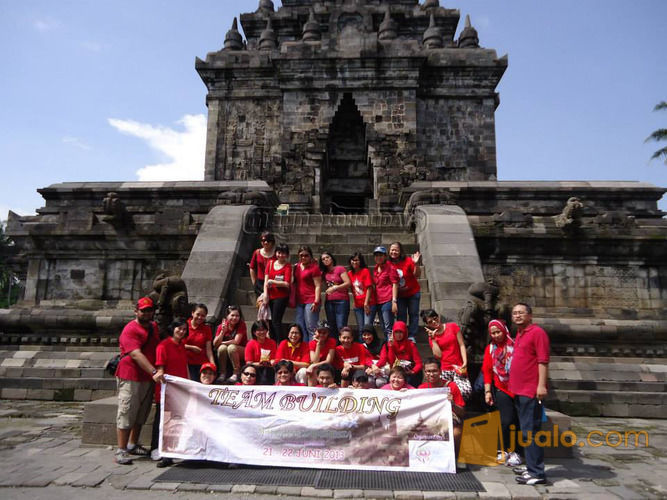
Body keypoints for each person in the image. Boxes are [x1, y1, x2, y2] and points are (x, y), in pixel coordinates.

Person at [114, 297, 161, 465]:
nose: (147, 313)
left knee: (142, 412)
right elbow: (135, 354)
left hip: (147, 377)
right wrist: (154, 371)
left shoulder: (153, 327)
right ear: (136, 311)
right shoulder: (130, 329)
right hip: (131, 375)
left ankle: (133, 444)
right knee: (127, 410)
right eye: (144, 311)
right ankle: (121, 449)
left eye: (150, 310)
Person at [510, 303, 550, 486]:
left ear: (530, 315)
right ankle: (531, 466)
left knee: (531, 432)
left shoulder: (537, 333)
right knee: (526, 431)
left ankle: (537, 473)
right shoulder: (519, 333)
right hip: (518, 390)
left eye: (521, 313)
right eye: (514, 313)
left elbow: (543, 361)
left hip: (530, 390)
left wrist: (541, 386)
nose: (517, 315)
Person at [482, 319, 521, 467]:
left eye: (498, 332)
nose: (496, 335)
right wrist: (487, 392)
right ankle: (503, 449)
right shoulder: (490, 349)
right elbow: (487, 371)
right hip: (501, 387)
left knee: (517, 420)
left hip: (517, 387)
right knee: (505, 420)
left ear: (504, 330)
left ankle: (516, 451)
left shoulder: (515, 345)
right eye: (493, 333)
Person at [151, 319, 189, 468]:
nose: (182, 331)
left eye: (184, 329)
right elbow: (160, 368)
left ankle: (173, 451)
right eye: (179, 328)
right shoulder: (163, 346)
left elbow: (184, 366)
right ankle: (158, 449)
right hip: (166, 390)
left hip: (180, 389)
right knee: (162, 421)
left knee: (176, 422)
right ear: (172, 329)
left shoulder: (182, 345)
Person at [422, 309, 472, 401]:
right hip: (444, 369)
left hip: (458, 367)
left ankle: (459, 408)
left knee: (465, 390)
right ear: (427, 325)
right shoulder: (432, 337)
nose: (434, 322)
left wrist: (465, 361)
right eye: (430, 322)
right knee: (443, 395)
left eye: (435, 318)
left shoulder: (452, 326)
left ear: (438, 316)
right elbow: (438, 355)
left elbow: (461, 344)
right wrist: (433, 339)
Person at [418, 357, 465, 453]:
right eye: (428, 371)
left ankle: (454, 461)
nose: (431, 374)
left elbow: (462, 413)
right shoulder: (421, 389)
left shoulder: (451, 386)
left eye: (434, 371)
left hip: (448, 422)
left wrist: (453, 404)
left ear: (440, 371)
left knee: (456, 433)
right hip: (428, 422)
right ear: (424, 372)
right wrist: (404, 392)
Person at [373, 321, 423, 388]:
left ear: (405, 332)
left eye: (401, 332)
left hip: (409, 374)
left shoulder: (411, 345)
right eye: (396, 332)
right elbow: (388, 361)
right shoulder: (387, 345)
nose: (398, 335)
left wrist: (412, 371)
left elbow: (419, 363)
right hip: (395, 373)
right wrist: (391, 347)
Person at [388, 242, 421, 342]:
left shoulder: (408, 261)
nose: (394, 252)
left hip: (412, 292)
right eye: (392, 249)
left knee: (413, 313)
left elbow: (417, 275)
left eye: (396, 250)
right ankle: (402, 335)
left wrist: (416, 263)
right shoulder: (388, 264)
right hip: (400, 295)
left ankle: (411, 335)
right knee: (401, 315)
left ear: (400, 251)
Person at [263, 243, 292, 343]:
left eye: (283, 253)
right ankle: (273, 343)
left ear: (287, 255)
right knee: (270, 322)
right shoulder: (270, 263)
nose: (281, 255)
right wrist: (265, 294)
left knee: (276, 321)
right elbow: (266, 281)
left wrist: (273, 282)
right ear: (276, 253)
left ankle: (280, 344)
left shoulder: (287, 266)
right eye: (279, 252)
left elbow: (287, 284)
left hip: (281, 297)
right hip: (270, 296)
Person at [320, 251, 351, 341]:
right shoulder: (324, 273)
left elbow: (348, 283)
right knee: (331, 326)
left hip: (341, 301)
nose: (325, 260)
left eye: (327, 257)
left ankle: (343, 347)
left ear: (332, 258)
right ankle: (334, 349)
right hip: (329, 301)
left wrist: (335, 288)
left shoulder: (339, 269)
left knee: (341, 325)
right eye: (323, 259)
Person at [293, 246, 322, 342]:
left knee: (311, 328)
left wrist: (316, 301)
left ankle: (312, 351)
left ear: (310, 256)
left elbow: (318, 285)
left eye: (306, 255)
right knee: (300, 327)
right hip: (299, 300)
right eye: (301, 255)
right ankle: (304, 350)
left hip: (311, 300)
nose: (303, 258)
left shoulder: (314, 268)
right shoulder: (296, 267)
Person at [213, 305, 247, 383]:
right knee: (222, 348)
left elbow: (236, 341)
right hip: (226, 350)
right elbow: (215, 344)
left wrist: (221, 342)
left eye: (237, 316)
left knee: (231, 347)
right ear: (227, 316)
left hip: (241, 349)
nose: (235, 318)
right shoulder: (222, 326)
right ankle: (222, 373)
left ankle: (236, 372)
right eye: (232, 315)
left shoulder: (242, 325)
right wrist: (222, 332)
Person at [347, 252, 376, 341]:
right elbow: (352, 289)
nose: (354, 262)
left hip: (369, 303)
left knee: (367, 328)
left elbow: (369, 288)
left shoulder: (365, 271)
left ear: (360, 261)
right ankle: (361, 349)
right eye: (353, 260)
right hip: (358, 305)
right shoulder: (349, 273)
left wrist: (366, 303)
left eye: (357, 260)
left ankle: (369, 349)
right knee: (361, 329)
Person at [372, 246, 398, 339]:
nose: (378, 257)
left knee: (388, 327)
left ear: (385, 256)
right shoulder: (375, 269)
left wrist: (394, 301)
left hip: (387, 300)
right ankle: (388, 347)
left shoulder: (390, 268)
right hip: (378, 300)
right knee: (383, 327)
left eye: (380, 255)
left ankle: (391, 349)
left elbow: (395, 284)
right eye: (376, 255)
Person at [185, 303, 215, 381]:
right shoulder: (184, 325)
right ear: (192, 313)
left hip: (201, 363)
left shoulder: (207, 329)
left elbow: (209, 349)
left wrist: (212, 364)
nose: (200, 317)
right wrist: (191, 347)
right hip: (186, 363)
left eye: (203, 315)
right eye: (198, 314)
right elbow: (178, 344)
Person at [244, 320, 277, 385]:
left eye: (263, 330)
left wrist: (271, 362)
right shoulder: (250, 344)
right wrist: (260, 363)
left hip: (269, 368)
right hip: (255, 369)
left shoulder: (272, 343)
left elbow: (275, 359)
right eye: (258, 330)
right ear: (254, 332)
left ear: (267, 330)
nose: (261, 332)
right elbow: (249, 363)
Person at [306, 321, 338, 386]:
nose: (321, 335)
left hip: (329, 366)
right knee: (312, 370)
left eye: (324, 333)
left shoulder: (332, 341)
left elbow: (328, 361)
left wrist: (313, 365)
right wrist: (318, 345)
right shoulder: (312, 343)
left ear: (328, 333)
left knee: (314, 368)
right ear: (315, 332)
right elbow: (314, 361)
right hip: (318, 367)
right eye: (319, 332)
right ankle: (312, 392)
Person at [249, 231, 276, 297]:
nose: (266, 242)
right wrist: (254, 283)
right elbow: (252, 268)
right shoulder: (257, 252)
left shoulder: (277, 254)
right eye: (263, 240)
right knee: (261, 305)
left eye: (268, 240)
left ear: (272, 241)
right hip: (260, 282)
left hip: (273, 282)